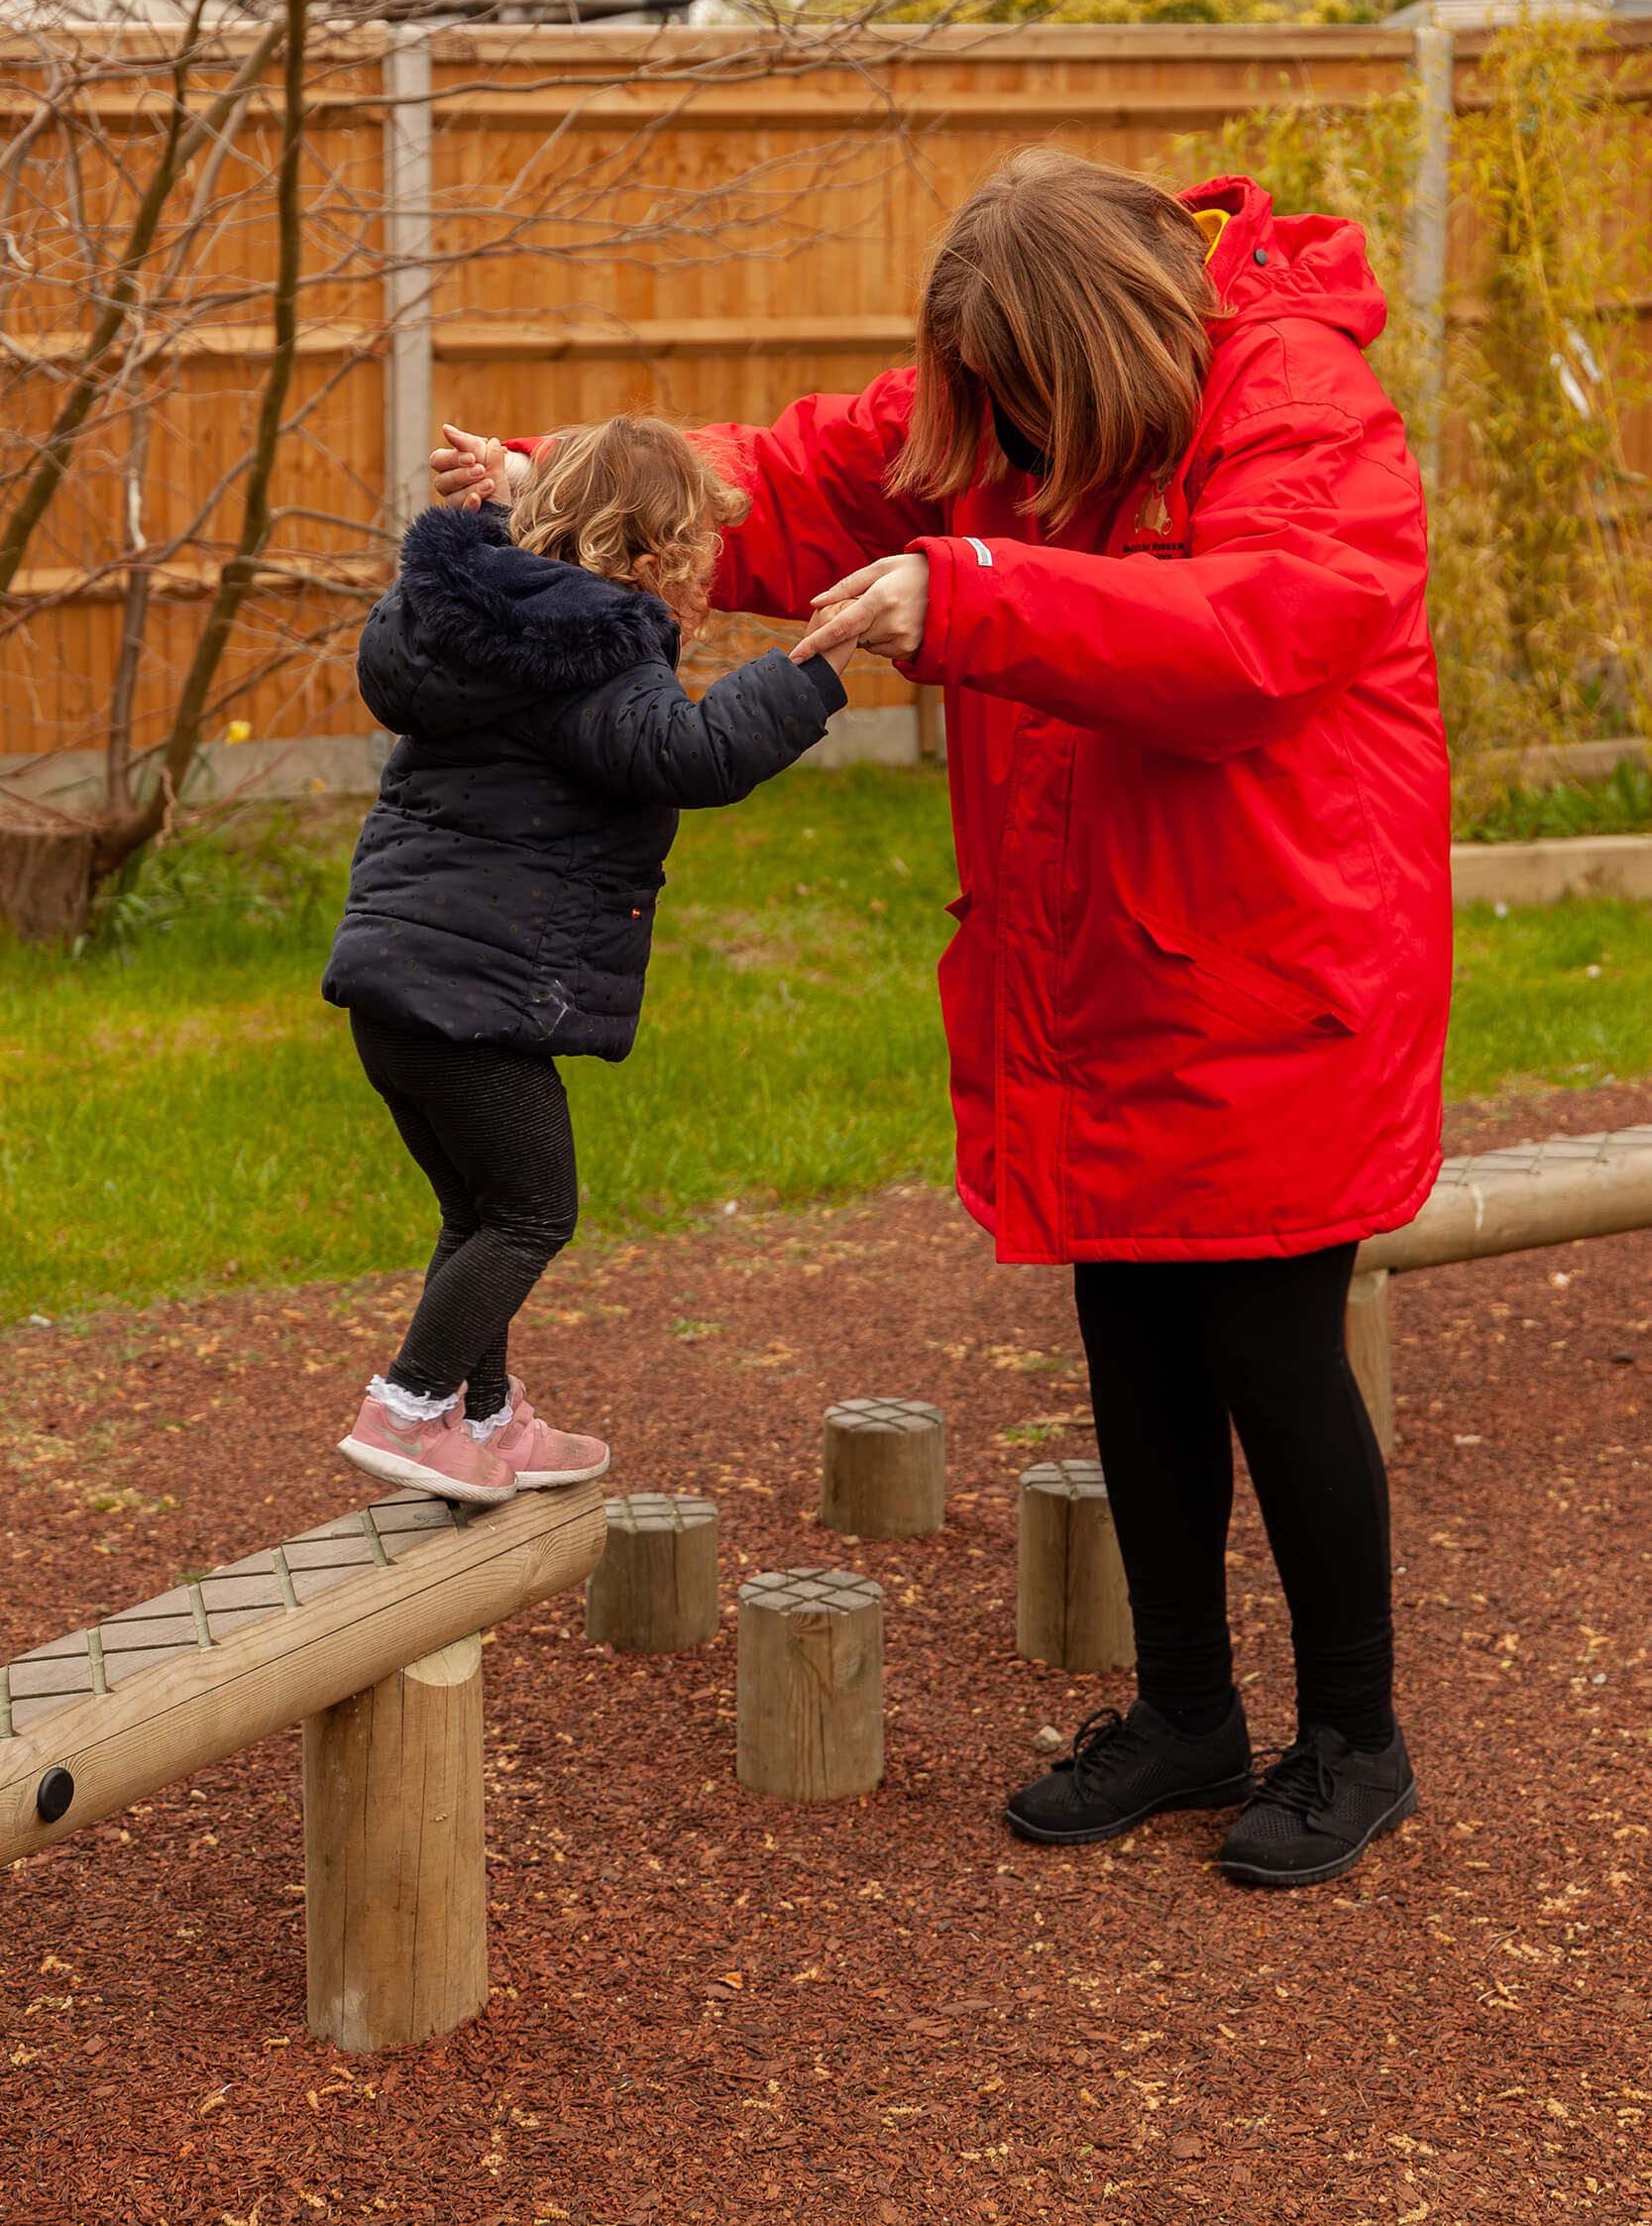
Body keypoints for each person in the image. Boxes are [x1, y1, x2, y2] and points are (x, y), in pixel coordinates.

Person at [432, 153, 1453, 1887]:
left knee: (1274, 1357)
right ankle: (1190, 1712)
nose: (995, 433)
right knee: (1132, 1342)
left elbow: (1251, 636)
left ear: (1100, 342)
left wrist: (973, 590)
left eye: (1020, 395)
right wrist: (572, 479)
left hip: (1285, 967)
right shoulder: (1005, 422)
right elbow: (810, 472)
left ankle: (1353, 1737)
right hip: (1113, 965)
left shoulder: (1300, 407)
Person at [326, 414, 853, 1507]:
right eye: (699, 569)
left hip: (396, 985)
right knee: (532, 1212)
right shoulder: (595, 654)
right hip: (474, 1002)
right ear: (651, 565)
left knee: (478, 1212)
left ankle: (483, 1417)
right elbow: (693, 753)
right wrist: (814, 665)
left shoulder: (471, 627)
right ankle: (411, 1404)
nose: (703, 593)